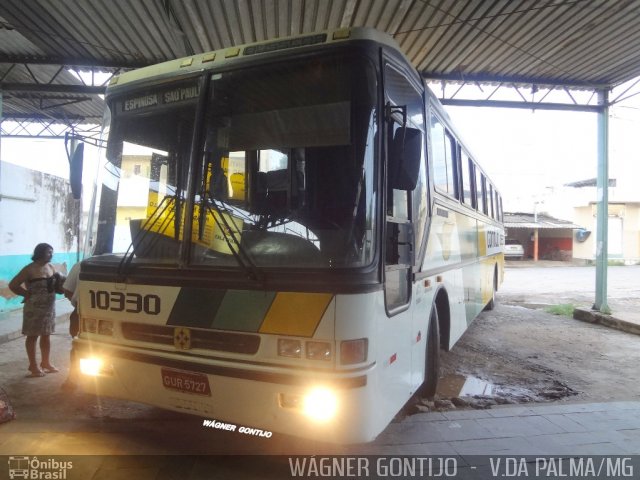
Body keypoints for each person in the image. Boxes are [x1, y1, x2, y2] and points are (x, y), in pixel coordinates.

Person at [9, 243, 65, 378]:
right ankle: (33, 366)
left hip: (49, 308)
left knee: (46, 335)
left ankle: (45, 363)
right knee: (32, 336)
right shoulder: (29, 269)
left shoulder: (51, 267)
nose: (51, 255)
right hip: (33, 309)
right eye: (48, 252)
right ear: (40, 253)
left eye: (52, 252)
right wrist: (26, 294)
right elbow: (13, 285)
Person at [61, 261, 81, 389]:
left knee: (78, 347)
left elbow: (67, 291)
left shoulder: (81, 265)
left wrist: (77, 303)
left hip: (81, 311)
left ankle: (73, 379)